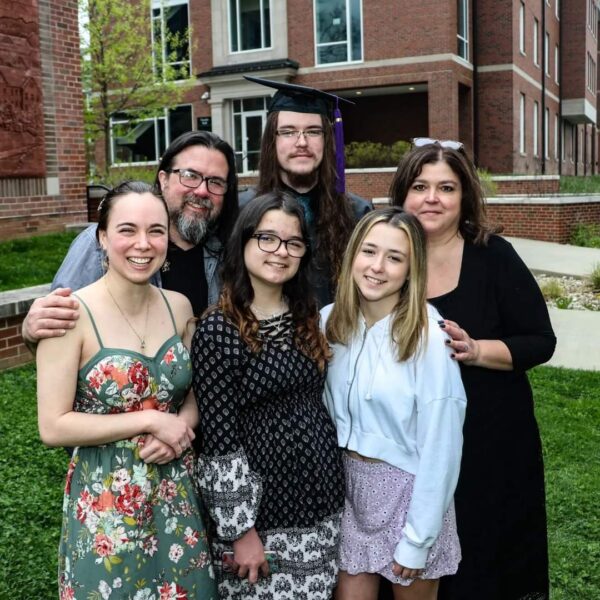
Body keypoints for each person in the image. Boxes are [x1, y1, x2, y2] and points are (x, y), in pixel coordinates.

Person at [390, 139, 557, 600]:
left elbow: (540, 341)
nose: (432, 198)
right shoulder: (385, 259)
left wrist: (477, 349)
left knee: (485, 556)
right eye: (420, 186)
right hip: (407, 446)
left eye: (446, 187)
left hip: (490, 439)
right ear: (402, 195)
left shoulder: (493, 255)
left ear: (464, 196)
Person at [36, 181, 217, 599]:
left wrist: (180, 429)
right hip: (106, 507)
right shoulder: (69, 314)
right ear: (102, 237)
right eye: (127, 229)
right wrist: (152, 419)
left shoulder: (179, 307)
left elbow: (192, 394)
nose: (143, 243)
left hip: (176, 496)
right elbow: (53, 425)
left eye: (156, 230)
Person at [191, 192, 345, 599]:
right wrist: (241, 532)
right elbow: (219, 442)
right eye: (267, 238)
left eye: (293, 243)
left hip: (324, 504)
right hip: (263, 521)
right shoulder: (219, 331)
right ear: (244, 241)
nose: (281, 252)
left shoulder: (307, 316)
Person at [321, 208, 467, 600]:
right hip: (348, 488)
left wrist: (419, 538)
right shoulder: (329, 324)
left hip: (409, 492)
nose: (378, 267)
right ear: (352, 255)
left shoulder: (429, 338)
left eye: (395, 257)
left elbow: (443, 445)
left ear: (411, 270)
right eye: (369, 252)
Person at [22, 130, 239, 346]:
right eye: (190, 176)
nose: (202, 191)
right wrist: (32, 330)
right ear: (163, 179)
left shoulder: (229, 251)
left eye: (216, 182)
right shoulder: (100, 243)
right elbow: (56, 331)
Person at [241, 76, 372, 305]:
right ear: (272, 141)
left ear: (327, 140)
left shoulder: (358, 213)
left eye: (313, 132)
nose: (301, 142)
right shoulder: (241, 209)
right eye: (288, 132)